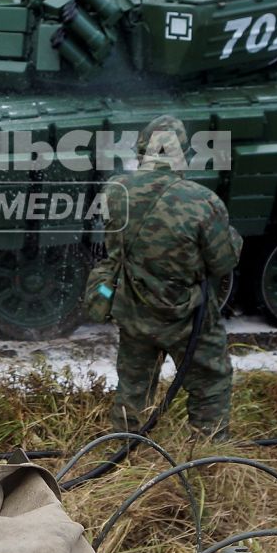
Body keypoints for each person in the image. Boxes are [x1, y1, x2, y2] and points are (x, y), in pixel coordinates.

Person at [99, 114, 241, 438]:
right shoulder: (203, 201)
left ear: (141, 150)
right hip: (186, 314)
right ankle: (208, 457)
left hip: (134, 307)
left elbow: (114, 248)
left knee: (134, 387)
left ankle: (123, 453)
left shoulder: (115, 190)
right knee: (210, 382)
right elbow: (223, 261)